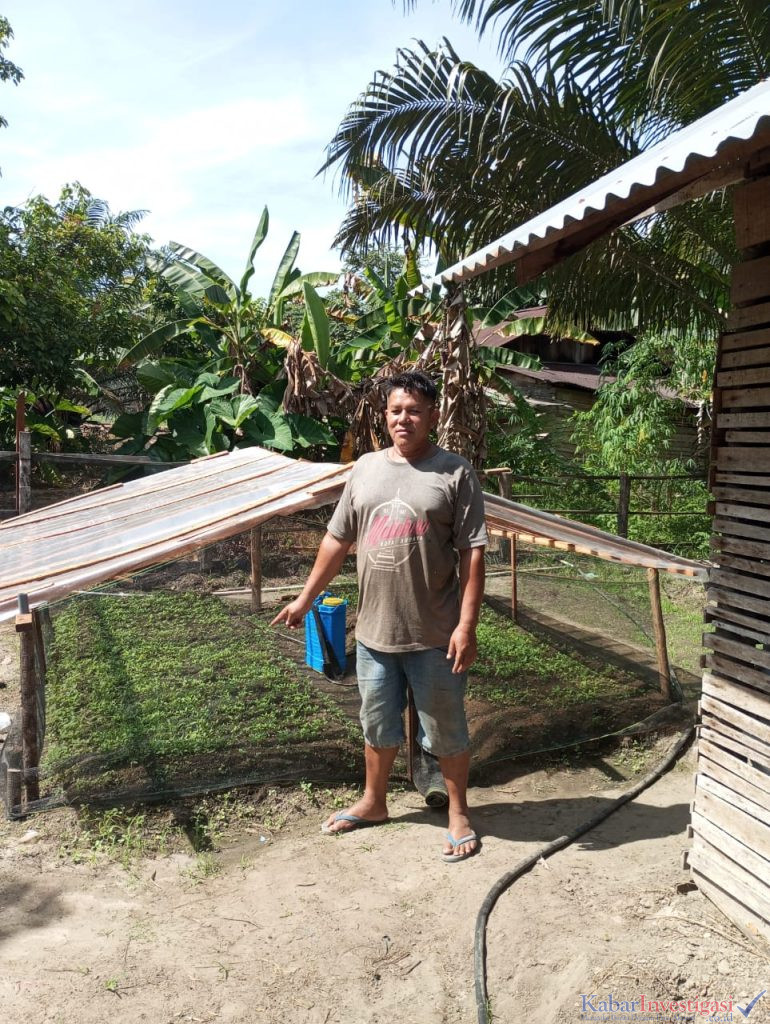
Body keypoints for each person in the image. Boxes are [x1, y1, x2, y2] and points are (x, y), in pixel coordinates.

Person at [271, 371, 487, 862]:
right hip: (374, 632)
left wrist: (466, 626)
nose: (403, 418)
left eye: (413, 410)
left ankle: (458, 814)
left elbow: (473, 555)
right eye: (395, 410)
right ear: (384, 416)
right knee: (376, 723)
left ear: (432, 415)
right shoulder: (364, 469)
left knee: (446, 727)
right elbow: (336, 539)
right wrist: (305, 598)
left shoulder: (455, 473)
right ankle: (374, 803)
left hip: (435, 632)